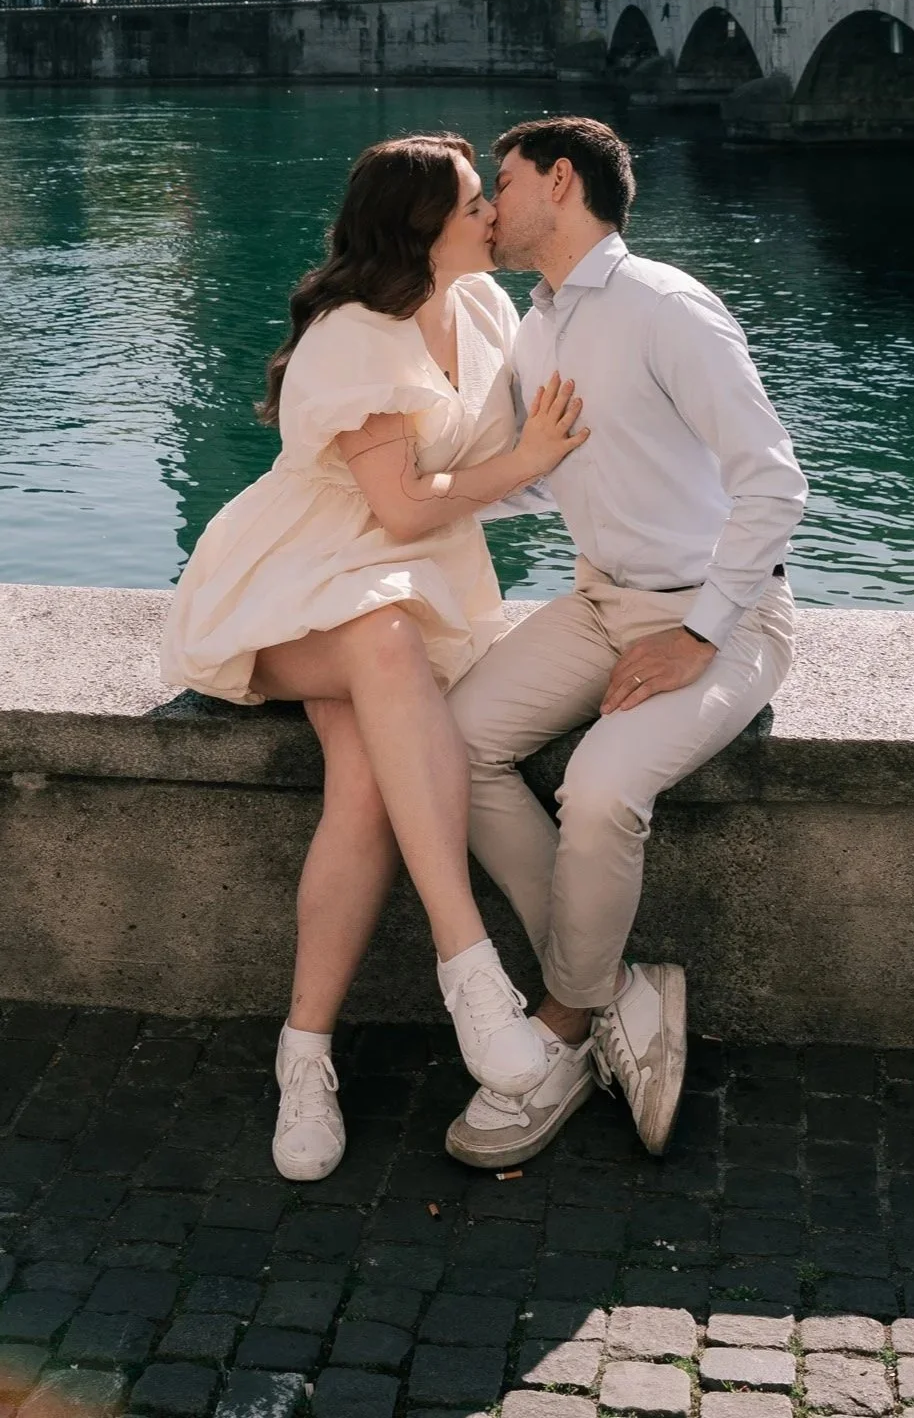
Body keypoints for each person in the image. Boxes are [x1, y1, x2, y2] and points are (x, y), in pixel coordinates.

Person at [158, 132, 590, 1185]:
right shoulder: (354, 335)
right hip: (294, 580)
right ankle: (471, 972)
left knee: (360, 781)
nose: (493, 211)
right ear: (422, 229)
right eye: (474, 201)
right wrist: (528, 457)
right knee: (384, 640)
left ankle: (303, 1055)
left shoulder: (487, 307)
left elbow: (516, 450)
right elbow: (395, 508)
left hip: (405, 584)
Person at [443, 114, 808, 1169]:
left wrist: (698, 634)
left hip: (723, 617)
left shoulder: (664, 306)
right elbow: (541, 478)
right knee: (454, 743)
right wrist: (397, 508)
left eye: (498, 182)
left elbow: (772, 483)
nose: (486, 204)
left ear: (559, 183)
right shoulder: (536, 325)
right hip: (601, 604)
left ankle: (557, 1029)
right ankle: (615, 987)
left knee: (600, 790)